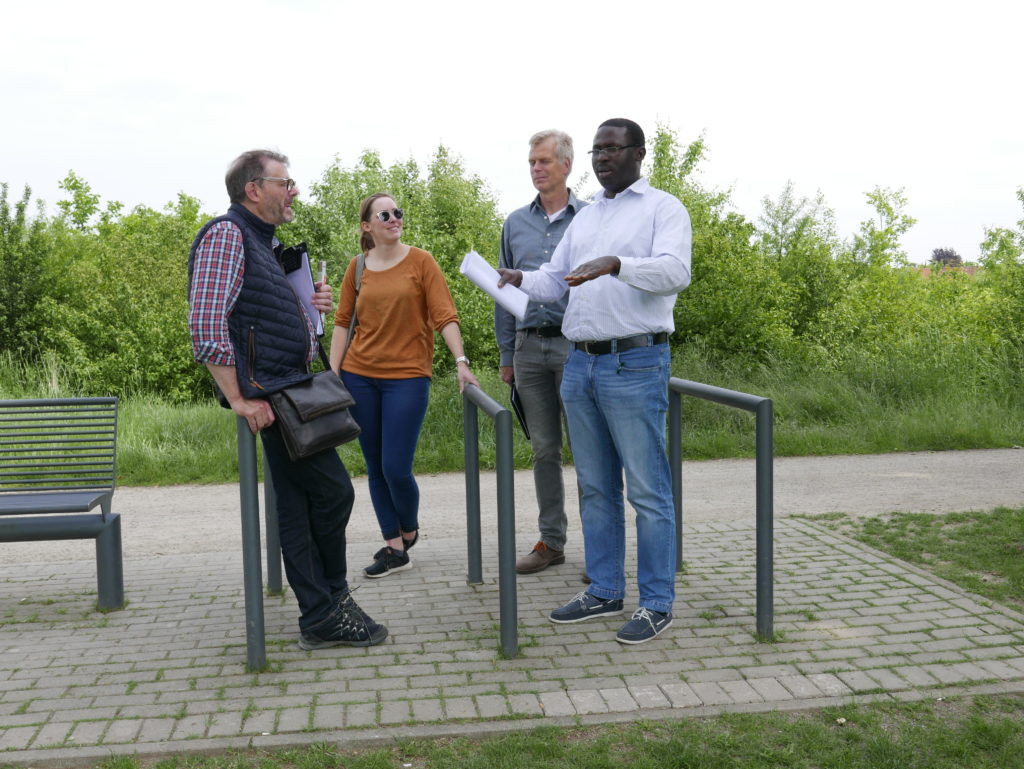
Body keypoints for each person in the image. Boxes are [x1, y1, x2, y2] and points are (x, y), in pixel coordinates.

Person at [497, 119, 692, 644]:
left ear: (638, 153)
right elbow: (554, 279)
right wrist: (519, 279)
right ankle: (605, 589)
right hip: (580, 365)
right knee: (596, 487)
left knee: (648, 492)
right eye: (597, 150)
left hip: (634, 364)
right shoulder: (587, 218)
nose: (603, 157)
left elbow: (675, 272)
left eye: (613, 148)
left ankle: (656, 603)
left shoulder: (663, 208)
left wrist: (617, 265)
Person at [188, 149, 387, 650]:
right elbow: (207, 326)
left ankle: (323, 611)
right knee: (334, 492)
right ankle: (328, 604)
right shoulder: (226, 235)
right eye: (286, 182)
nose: (294, 191)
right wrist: (237, 398)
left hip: (285, 390)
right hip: (270, 398)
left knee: (298, 507)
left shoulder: (262, 243)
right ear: (254, 189)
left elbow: (261, 317)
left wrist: (309, 309)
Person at [330, 193, 479, 579]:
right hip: (358, 375)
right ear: (367, 226)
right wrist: (333, 375)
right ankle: (394, 548)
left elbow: (444, 315)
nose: (394, 218)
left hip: (407, 378)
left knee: (396, 466)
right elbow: (343, 322)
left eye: (398, 212)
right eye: (385, 214)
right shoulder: (357, 267)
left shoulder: (421, 261)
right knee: (375, 466)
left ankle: (408, 529)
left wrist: (461, 362)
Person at [494, 129, 586, 575]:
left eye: (544, 161)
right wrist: (506, 354)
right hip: (529, 351)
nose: (536, 168)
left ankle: (603, 551)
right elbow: (503, 290)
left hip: (577, 347)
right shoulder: (515, 222)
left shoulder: (589, 218)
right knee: (544, 451)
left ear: (566, 165)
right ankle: (552, 542)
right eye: (532, 161)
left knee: (590, 450)